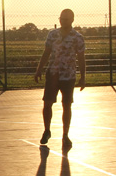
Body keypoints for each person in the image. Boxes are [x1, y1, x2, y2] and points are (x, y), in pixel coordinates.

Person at [34, 8, 86, 151]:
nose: (63, 21)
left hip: (68, 76)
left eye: (66, 19)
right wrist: (39, 69)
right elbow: (46, 53)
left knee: (66, 105)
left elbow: (81, 58)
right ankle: (47, 130)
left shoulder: (77, 37)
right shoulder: (52, 35)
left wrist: (83, 77)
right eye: (61, 19)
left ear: (72, 20)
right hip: (53, 74)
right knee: (47, 103)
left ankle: (65, 135)